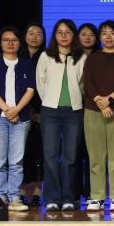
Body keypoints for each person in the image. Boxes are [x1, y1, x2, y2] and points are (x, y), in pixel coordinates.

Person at [0, 26, 36, 211]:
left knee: (16, 161)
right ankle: (0, 197)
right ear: (1, 42)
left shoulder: (27, 64)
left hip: (21, 118)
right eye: (6, 40)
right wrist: (7, 110)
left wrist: (16, 110)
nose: (10, 43)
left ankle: (14, 197)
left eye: (14, 40)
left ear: (19, 43)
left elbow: (31, 89)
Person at [37, 19, 87, 211]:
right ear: (55, 35)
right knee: (50, 156)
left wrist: (76, 101)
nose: (64, 36)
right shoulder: (45, 56)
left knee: (70, 157)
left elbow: (83, 85)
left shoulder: (81, 57)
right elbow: (40, 83)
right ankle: (51, 198)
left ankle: (68, 198)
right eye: (60, 32)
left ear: (73, 35)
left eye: (67, 32)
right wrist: (49, 100)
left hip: (74, 111)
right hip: (50, 110)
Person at [82, 20, 114, 212]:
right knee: (96, 157)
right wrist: (100, 102)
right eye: (104, 33)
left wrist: (109, 99)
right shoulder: (92, 58)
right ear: (100, 37)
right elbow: (88, 83)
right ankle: (97, 197)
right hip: (93, 111)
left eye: (112, 33)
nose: (108, 37)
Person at [19, 22, 46, 206]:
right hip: (19, 111)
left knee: (40, 153)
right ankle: (20, 191)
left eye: (39, 34)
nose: (35, 37)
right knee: (20, 153)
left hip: (42, 112)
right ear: (25, 36)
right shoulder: (17, 56)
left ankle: (37, 191)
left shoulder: (47, 56)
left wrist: (37, 109)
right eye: (31, 33)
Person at [73, 23, 99, 203]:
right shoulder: (71, 57)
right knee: (75, 153)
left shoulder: (101, 57)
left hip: (96, 110)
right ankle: (75, 193)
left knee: (93, 155)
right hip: (74, 111)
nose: (88, 38)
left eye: (91, 35)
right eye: (84, 34)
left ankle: (92, 192)